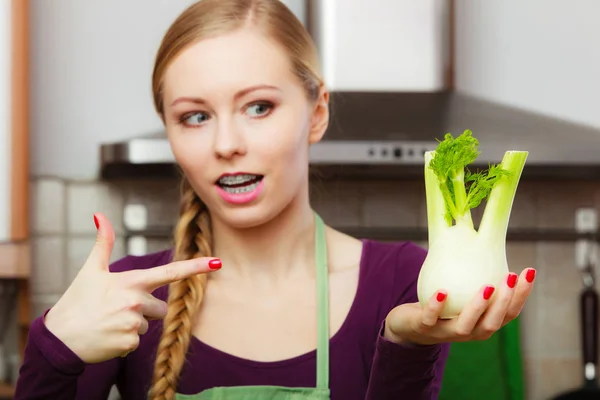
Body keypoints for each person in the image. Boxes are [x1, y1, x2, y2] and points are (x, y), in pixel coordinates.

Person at [14, 0, 536, 399]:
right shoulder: (129, 301)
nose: (226, 144)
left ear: (316, 113)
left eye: (258, 107)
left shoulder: (403, 282)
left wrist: (407, 348)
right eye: (195, 116)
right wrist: (54, 347)